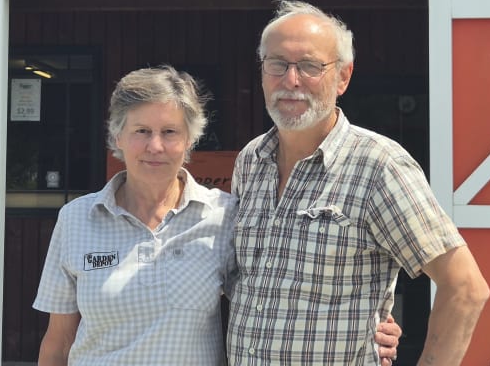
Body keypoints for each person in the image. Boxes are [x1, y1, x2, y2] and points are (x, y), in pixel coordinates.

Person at [33, 66, 402, 364]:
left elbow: (279, 294)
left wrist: (368, 325)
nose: (155, 146)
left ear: (191, 140)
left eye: (170, 132)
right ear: (117, 138)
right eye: (141, 131)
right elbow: (58, 340)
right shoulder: (76, 218)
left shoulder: (224, 216)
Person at [227, 0, 490, 365]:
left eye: (309, 66)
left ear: (343, 77)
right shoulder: (251, 161)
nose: (291, 80)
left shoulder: (379, 165)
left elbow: (465, 287)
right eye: (277, 64)